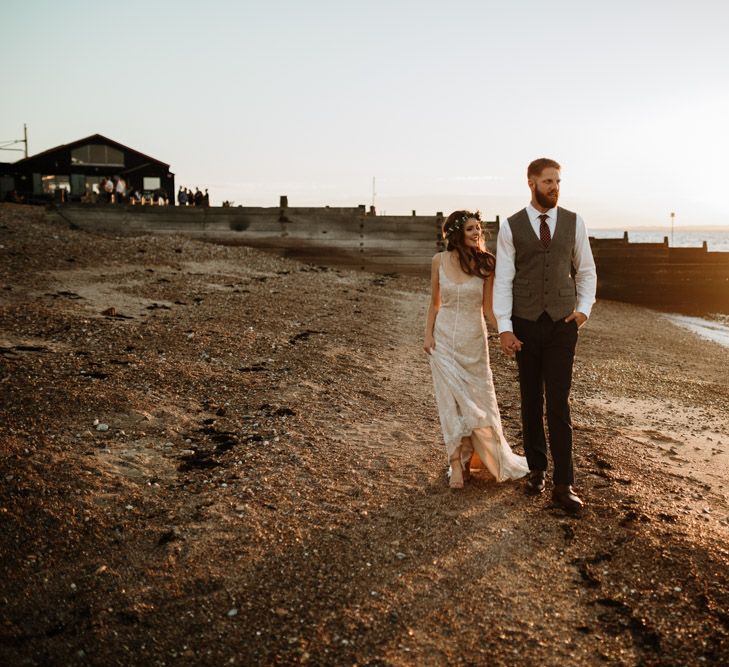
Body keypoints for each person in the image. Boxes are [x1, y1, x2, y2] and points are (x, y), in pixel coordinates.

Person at [493, 158, 597, 513]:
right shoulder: (511, 227)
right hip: (524, 323)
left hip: (562, 325)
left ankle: (563, 483)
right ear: (531, 183)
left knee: (558, 402)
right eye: (549, 181)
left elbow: (586, 270)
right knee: (530, 398)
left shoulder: (574, 222)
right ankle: (537, 469)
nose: (555, 187)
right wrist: (504, 328)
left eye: (558, 181)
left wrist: (583, 311)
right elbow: (504, 279)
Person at [424, 210, 530, 489]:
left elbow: (488, 309)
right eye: (471, 229)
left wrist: (505, 333)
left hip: (474, 343)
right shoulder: (438, 261)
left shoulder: (486, 264)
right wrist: (427, 335)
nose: (477, 234)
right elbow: (434, 303)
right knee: (450, 402)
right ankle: (456, 464)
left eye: (478, 230)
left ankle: (475, 458)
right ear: (457, 233)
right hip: (443, 339)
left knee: (477, 403)